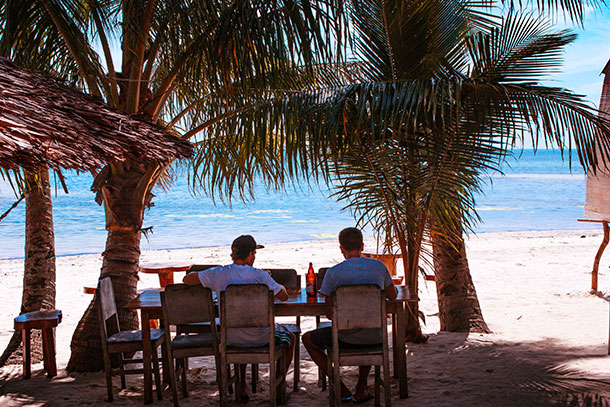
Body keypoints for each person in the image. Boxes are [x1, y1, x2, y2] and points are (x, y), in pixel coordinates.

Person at [183, 234, 295, 402]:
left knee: (240, 331)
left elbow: (187, 279)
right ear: (250, 254)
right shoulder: (261, 276)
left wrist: (206, 275)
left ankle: (241, 386)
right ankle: (279, 388)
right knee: (291, 338)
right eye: (254, 254)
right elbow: (284, 296)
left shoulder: (218, 273)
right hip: (261, 338)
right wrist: (276, 282)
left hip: (231, 338)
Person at [302, 227, 397, 403]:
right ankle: (361, 388)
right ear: (362, 246)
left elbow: (330, 315)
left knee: (308, 339)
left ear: (341, 248)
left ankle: (340, 387)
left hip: (345, 339)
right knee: (366, 328)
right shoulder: (378, 267)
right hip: (376, 335)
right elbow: (393, 295)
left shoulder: (333, 273)